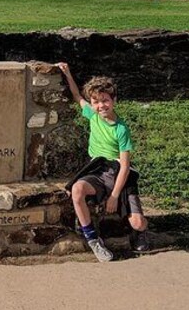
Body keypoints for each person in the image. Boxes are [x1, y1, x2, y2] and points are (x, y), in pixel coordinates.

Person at [57, 62, 149, 262]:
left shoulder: (121, 129)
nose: (101, 106)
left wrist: (114, 196)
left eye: (105, 100)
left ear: (114, 100)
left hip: (119, 173)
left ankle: (138, 232)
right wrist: (68, 74)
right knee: (77, 190)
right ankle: (93, 239)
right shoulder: (93, 115)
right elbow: (77, 97)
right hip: (98, 169)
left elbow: (125, 166)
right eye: (96, 102)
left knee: (138, 222)